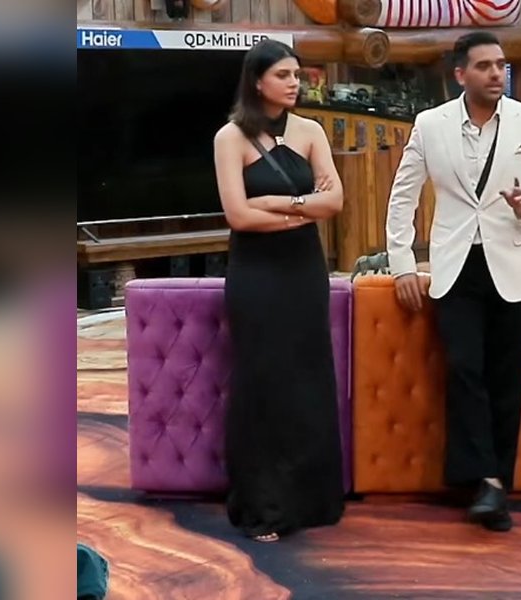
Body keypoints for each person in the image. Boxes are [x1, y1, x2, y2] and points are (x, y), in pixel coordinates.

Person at [385, 32, 521, 532]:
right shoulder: (431, 125)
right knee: (464, 369)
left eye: (500, 65)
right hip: (456, 263)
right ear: (460, 74)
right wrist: (402, 262)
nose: (495, 73)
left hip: (513, 262)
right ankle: (486, 479)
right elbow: (403, 197)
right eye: (484, 65)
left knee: (507, 377)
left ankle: (494, 485)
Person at [213, 39, 345, 542]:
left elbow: (334, 201)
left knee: (308, 378)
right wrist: (302, 208)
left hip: (303, 270)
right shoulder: (230, 137)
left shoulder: (310, 131)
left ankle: (311, 501)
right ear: (257, 81)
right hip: (256, 274)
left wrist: (278, 203)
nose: (295, 83)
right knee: (262, 381)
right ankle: (262, 506)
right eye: (284, 75)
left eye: (296, 75)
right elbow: (239, 215)